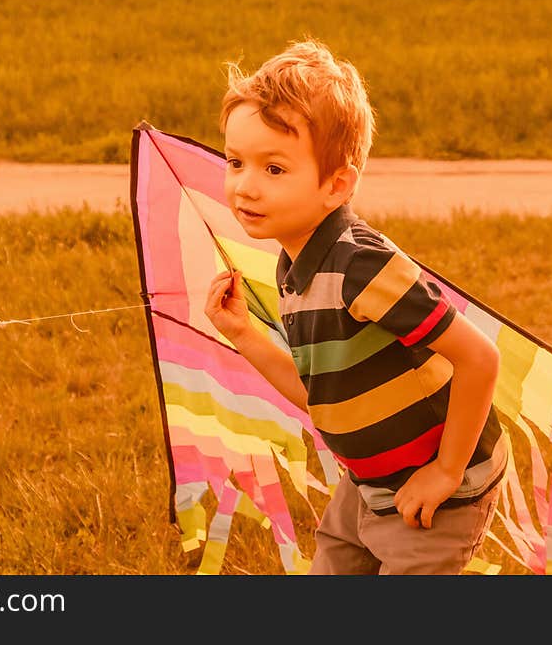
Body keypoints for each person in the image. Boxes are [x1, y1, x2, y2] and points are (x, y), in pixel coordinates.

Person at [204, 38, 508, 575]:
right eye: (235, 162)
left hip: (441, 488)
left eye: (273, 169)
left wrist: (446, 471)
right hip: (369, 482)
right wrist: (247, 337)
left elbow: (480, 358)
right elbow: (322, 395)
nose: (244, 186)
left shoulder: (360, 268)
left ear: (336, 185)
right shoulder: (295, 270)